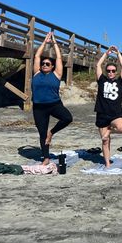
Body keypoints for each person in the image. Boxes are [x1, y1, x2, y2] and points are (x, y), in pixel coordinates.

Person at [31, 31, 73, 165]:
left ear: (52, 66)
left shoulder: (56, 74)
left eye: (47, 64)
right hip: (39, 107)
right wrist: (44, 42)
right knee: (42, 133)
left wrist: (54, 42)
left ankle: (52, 132)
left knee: (67, 118)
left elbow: (59, 58)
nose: (44, 65)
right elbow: (37, 55)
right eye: (43, 63)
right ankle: (46, 158)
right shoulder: (37, 73)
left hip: (54, 105)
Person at [95, 45, 122, 168]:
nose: (110, 73)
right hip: (102, 113)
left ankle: (109, 130)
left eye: (113, 71)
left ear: (116, 72)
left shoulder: (120, 81)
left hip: (115, 114)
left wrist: (118, 53)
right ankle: (107, 163)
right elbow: (98, 65)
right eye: (108, 70)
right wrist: (107, 53)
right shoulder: (102, 80)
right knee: (105, 141)